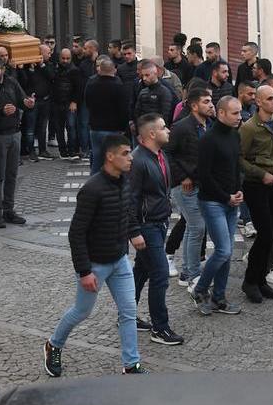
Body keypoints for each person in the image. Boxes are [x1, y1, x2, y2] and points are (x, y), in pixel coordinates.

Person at [44, 134, 149, 377]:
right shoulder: (92, 189)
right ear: (110, 156)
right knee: (82, 312)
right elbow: (76, 233)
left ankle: (131, 364)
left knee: (128, 312)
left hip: (120, 260)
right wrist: (84, 271)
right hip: (95, 264)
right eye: (125, 153)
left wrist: (134, 233)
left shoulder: (125, 180)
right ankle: (54, 344)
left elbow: (127, 212)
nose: (130, 157)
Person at [125, 112, 184, 346]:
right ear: (151, 133)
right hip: (147, 225)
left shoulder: (159, 155)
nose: (168, 130)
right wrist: (134, 231)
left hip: (159, 222)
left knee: (141, 271)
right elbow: (129, 199)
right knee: (160, 275)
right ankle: (160, 328)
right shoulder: (137, 160)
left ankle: (126, 316)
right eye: (163, 127)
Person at [192, 96, 245, 316]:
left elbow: (236, 166)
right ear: (221, 113)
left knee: (227, 251)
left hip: (232, 199)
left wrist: (239, 189)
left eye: (240, 112)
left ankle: (219, 298)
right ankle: (200, 289)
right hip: (213, 201)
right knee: (222, 250)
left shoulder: (234, 135)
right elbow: (203, 175)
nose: (239, 117)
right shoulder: (208, 139)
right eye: (235, 113)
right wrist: (226, 197)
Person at [238, 84, 273, 303]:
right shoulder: (249, 127)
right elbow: (239, 158)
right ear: (259, 102)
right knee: (266, 233)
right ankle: (251, 280)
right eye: (270, 98)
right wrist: (261, 174)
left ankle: (260, 280)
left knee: (272, 232)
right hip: (256, 184)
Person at [0, 55, 33, 229]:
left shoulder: (11, 82)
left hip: (15, 133)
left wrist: (28, 103)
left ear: (2, 69)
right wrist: (1, 112)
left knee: (12, 175)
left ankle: (9, 210)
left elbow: (22, 101)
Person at [166, 87, 212, 289]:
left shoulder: (208, 125)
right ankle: (192, 273)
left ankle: (186, 272)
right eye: (205, 101)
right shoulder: (181, 127)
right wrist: (182, 176)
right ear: (194, 105)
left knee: (193, 227)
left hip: (201, 183)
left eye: (211, 101)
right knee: (197, 227)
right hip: (185, 185)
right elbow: (167, 153)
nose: (210, 105)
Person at [85, 57, 131, 174]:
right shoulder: (118, 85)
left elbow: (87, 102)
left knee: (96, 159)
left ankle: (93, 185)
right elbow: (124, 109)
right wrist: (123, 128)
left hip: (95, 127)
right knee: (112, 161)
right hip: (113, 129)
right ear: (114, 70)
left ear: (100, 70)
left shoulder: (91, 82)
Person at [51, 48, 84, 160]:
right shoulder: (55, 69)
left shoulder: (75, 70)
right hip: (56, 103)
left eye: (67, 58)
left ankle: (72, 150)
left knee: (71, 127)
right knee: (59, 128)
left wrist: (74, 102)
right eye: (63, 58)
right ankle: (63, 151)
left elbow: (78, 88)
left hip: (69, 103)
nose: (65, 61)